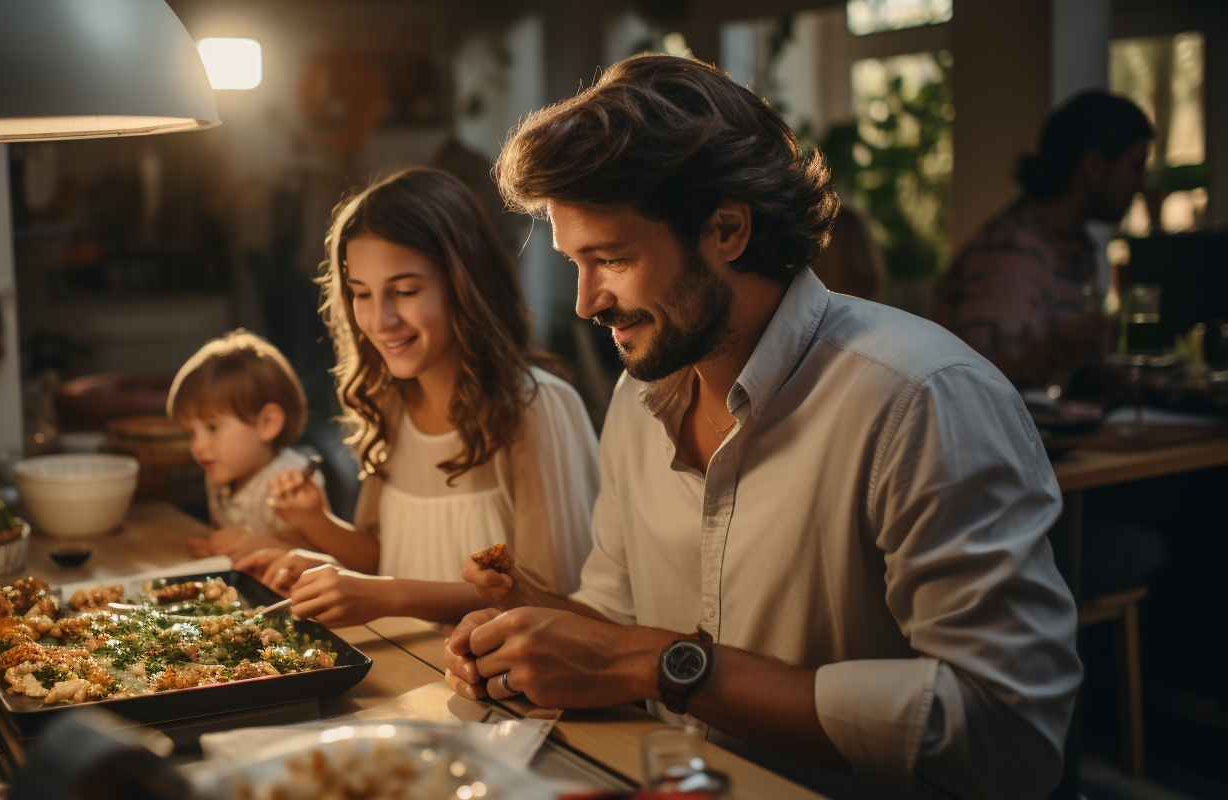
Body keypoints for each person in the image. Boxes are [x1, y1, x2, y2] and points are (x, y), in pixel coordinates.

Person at [442, 55, 1080, 800]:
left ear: (727, 229)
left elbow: (1010, 740)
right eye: (575, 263)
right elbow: (618, 624)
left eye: (610, 258)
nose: (587, 303)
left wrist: (662, 667)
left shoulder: (922, 399)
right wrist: (527, 629)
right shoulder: (636, 398)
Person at [235, 167, 600, 628]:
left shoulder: (534, 409)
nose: (380, 319)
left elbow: (549, 600)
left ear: (464, 285)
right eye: (360, 293)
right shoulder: (391, 401)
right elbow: (379, 554)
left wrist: (387, 595)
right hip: (405, 679)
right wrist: (317, 541)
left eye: (405, 291)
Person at [932, 91, 1155, 390]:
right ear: (1094, 165)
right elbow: (974, 382)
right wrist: (1058, 348)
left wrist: (1094, 374)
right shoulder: (1015, 250)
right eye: (1135, 167)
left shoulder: (1075, 245)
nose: (1141, 184)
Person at [168, 330, 320, 559]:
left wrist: (264, 546)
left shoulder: (293, 483)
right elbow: (222, 537)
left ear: (267, 422)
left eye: (212, 427)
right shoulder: (217, 475)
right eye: (191, 432)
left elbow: (321, 561)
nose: (197, 446)